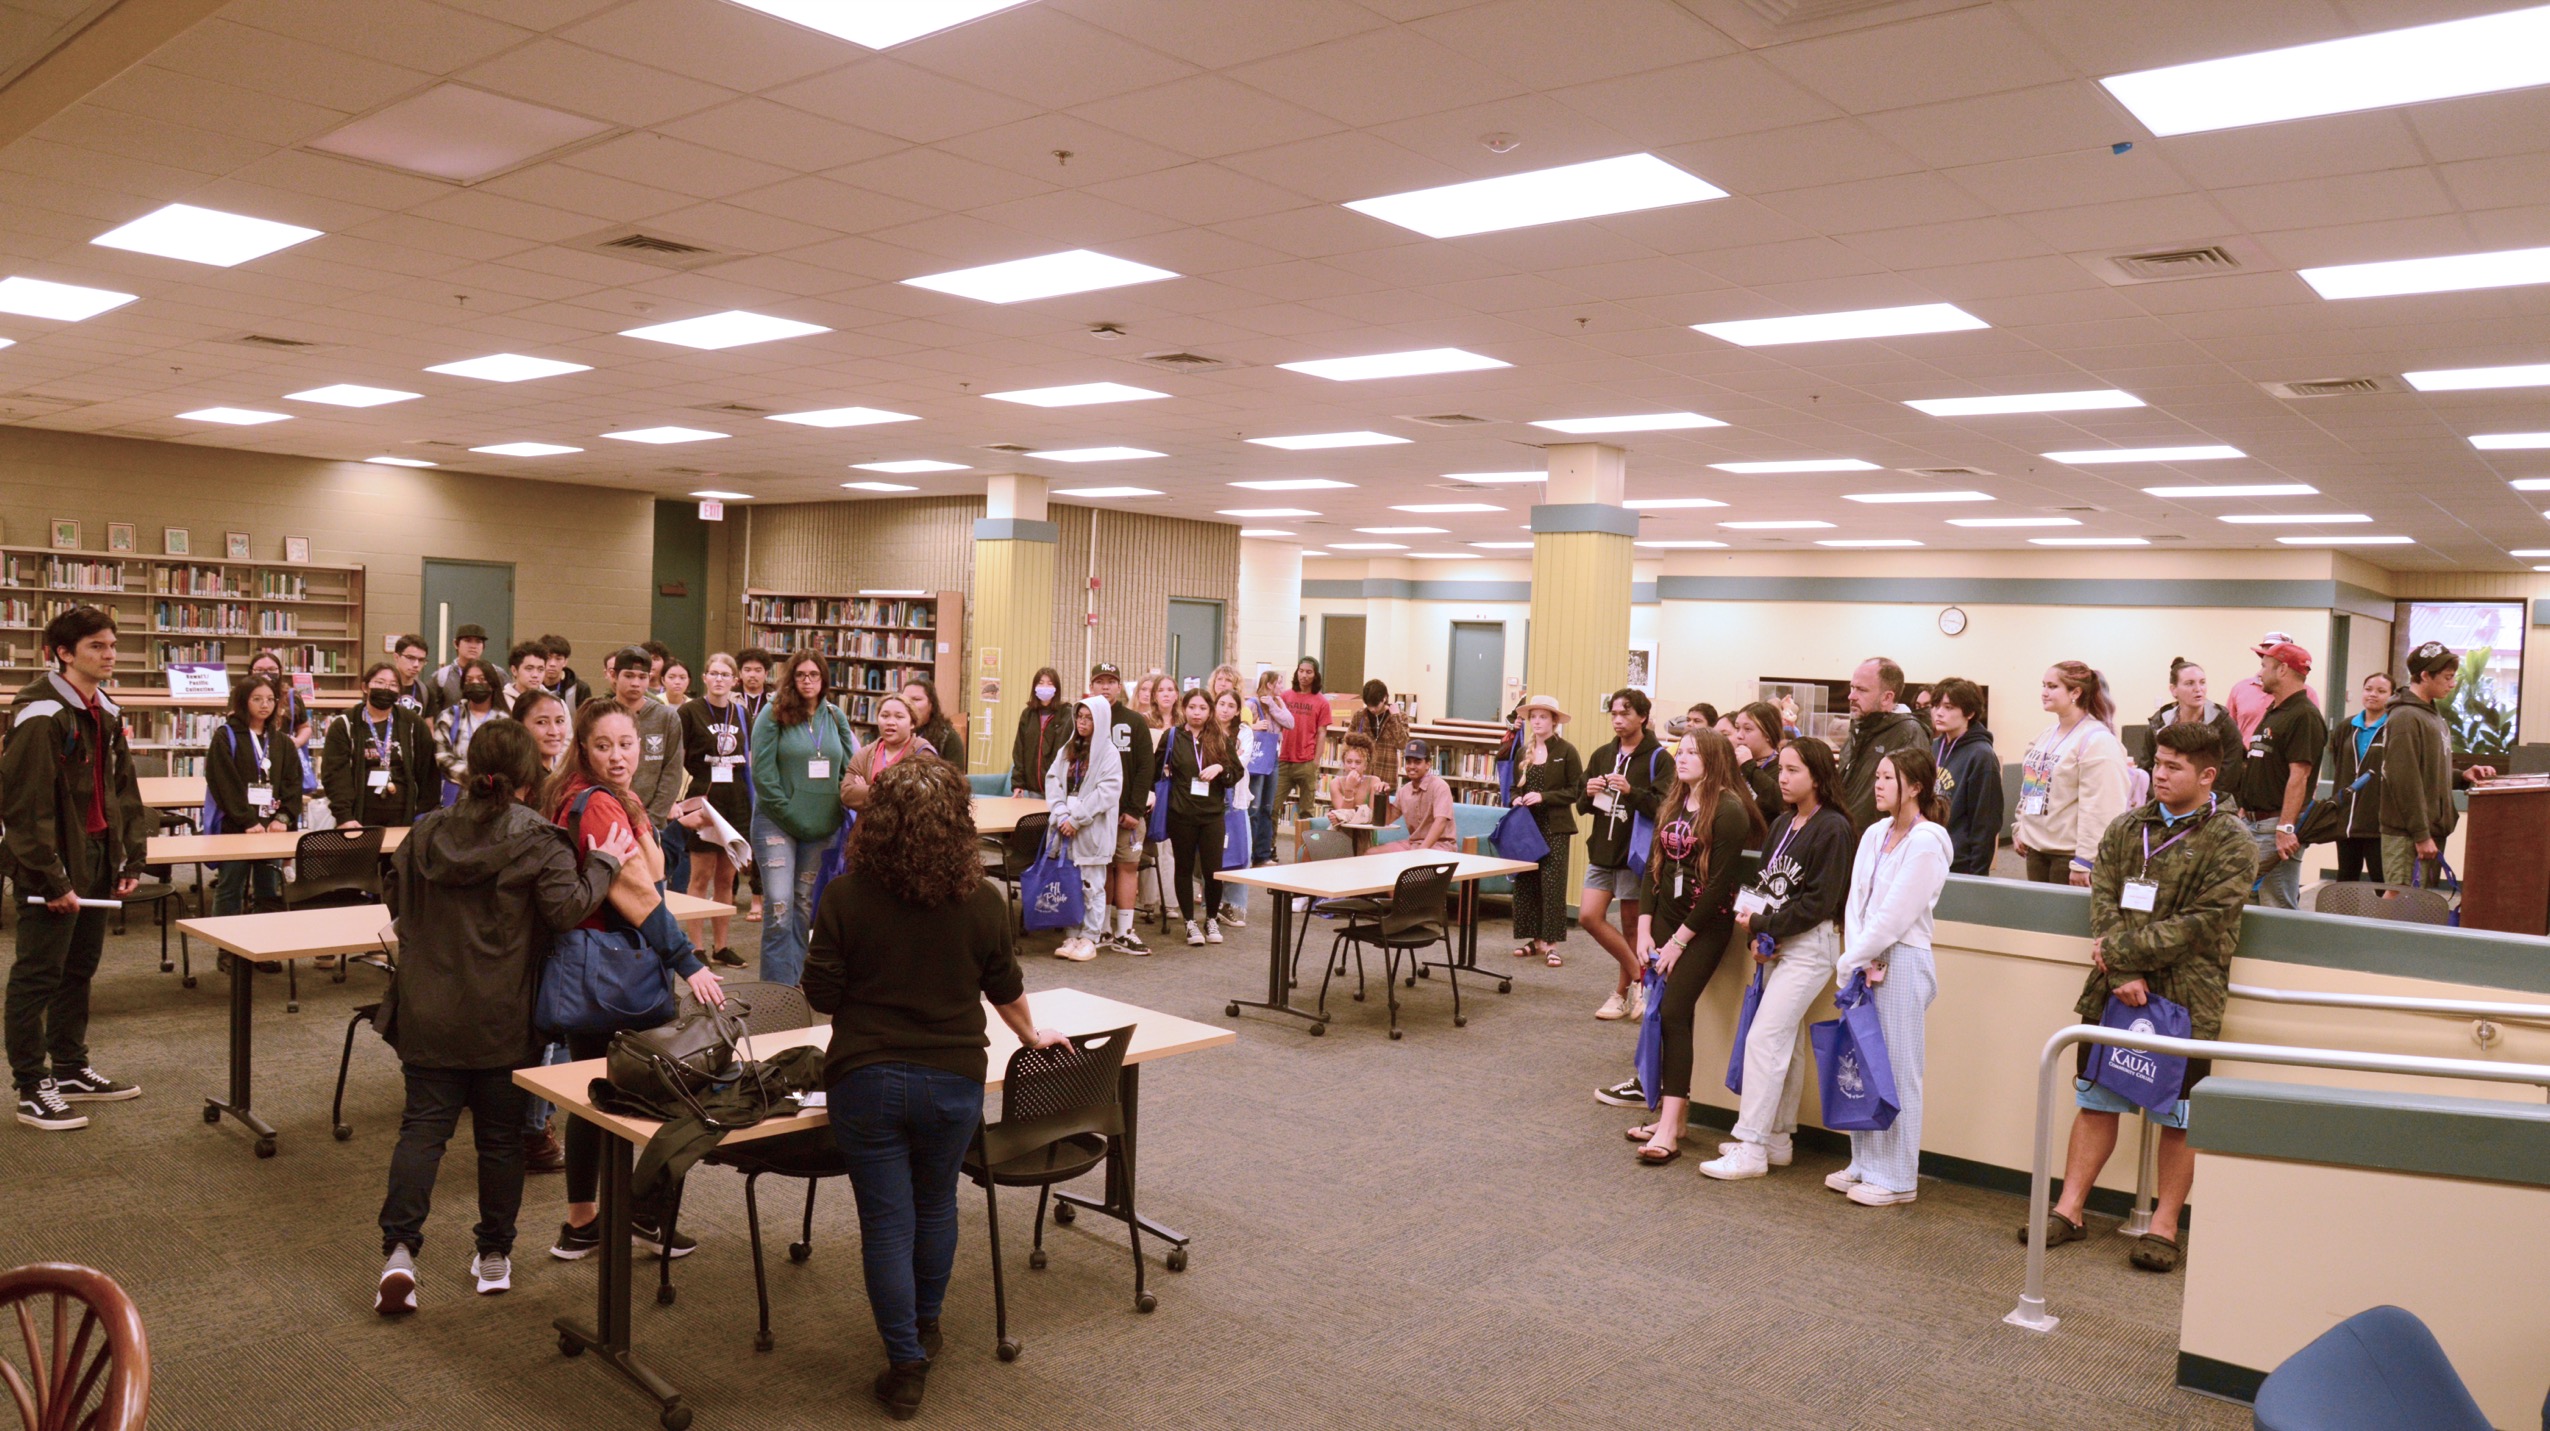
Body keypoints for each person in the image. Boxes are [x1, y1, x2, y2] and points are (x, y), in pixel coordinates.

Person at [800, 758, 1068, 1420]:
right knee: (936, 1205)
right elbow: (1004, 987)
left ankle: (906, 1362)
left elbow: (822, 997)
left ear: (879, 820)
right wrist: (1032, 1035)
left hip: (867, 1078)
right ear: (958, 822)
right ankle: (925, 1324)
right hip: (954, 1078)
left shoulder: (845, 896)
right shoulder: (982, 900)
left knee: (887, 1221)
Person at [371, 719, 639, 1314]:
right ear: (527, 775)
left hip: (427, 1008)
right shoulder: (539, 838)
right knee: (499, 1140)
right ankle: (494, 1254)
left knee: (421, 1132)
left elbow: (396, 900)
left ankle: (399, 1252)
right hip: (503, 1013)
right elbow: (566, 909)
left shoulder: (423, 833)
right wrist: (605, 865)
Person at [2029, 720, 2253, 1273]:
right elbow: (2102, 896)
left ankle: (2163, 1226)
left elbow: (2202, 922)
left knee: (2180, 1116)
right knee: (2097, 1099)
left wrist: (2125, 957)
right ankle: (2070, 1209)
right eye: (2158, 762)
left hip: (2186, 998)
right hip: (2114, 992)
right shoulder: (2128, 828)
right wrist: (2120, 967)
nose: (2161, 774)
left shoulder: (2232, 841)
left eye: (2175, 766)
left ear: (2207, 775)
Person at [542, 701, 725, 1261]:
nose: (618, 756)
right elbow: (644, 893)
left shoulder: (585, 793)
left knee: (593, 1096)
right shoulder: (597, 806)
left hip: (590, 967)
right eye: (604, 746)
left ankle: (583, 1223)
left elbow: (650, 871)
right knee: (673, 1094)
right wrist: (688, 963)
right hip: (618, 968)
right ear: (584, 748)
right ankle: (644, 1213)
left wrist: (639, 812)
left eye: (627, 744)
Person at [4, 606, 148, 1130]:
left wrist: (131, 854)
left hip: (98, 856)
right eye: (97, 647)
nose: (110, 655)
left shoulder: (105, 708)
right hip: (51, 861)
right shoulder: (40, 714)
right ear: (63, 653)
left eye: (112, 645)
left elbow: (122, 788)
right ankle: (30, 1087)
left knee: (78, 970)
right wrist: (52, 877)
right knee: (37, 975)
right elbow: (24, 808)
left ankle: (68, 1068)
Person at [1700, 737, 1856, 1181]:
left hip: (1811, 947)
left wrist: (1765, 924)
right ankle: (1778, 1138)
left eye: (1793, 771)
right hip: (1779, 945)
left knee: (1765, 1038)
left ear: (1818, 776)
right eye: (1781, 770)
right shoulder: (1784, 823)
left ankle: (1750, 1144)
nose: (1782, 779)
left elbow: (1820, 902)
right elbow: (1768, 887)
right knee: (1784, 1041)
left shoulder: (1834, 828)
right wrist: (1760, 933)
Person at [1620, 729, 1763, 1157]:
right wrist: (1645, 930)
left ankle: (1667, 1126)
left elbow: (1719, 887)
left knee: (1673, 1011)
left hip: (1703, 929)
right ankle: (1675, 1119)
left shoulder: (1729, 810)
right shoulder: (1675, 803)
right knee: (1668, 1017)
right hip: (1664, 923)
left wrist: (1680, 942)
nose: (1681, 759)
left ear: (1714, 758)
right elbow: (1654, 870)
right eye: (1679, 752)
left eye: (1692, 753)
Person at [1828, 748, 1953, 1206]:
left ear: (1915, 787)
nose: (1877, 784)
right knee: (1862, 1067)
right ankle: (1865, 1162)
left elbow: (1897, 914)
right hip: (1864, 961)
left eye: (1887, 777)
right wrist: (1855, 956)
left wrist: (1851, 959)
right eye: (1877, 776)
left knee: (1898, 1070)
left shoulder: (1928, 840)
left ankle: (1898, 1177)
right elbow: (1856, 903)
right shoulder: (1875, 832)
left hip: (1900, 961)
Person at [750, 651, 860, 986]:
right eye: (801, 675)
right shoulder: (774, 713)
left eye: (814, 674)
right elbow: (763, 774)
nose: (808, 681)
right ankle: (775, 987)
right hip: (777, 822)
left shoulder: (834, 715)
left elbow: (849, 768)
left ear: (823, 679)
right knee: (779, 906)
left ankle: (795, 980)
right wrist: (789, 812)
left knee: (801, 905)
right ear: (791, 678)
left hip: (821, 825)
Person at [2379, 641, 2499, 889]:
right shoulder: (2405, 717)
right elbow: (2404, 781)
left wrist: (2461, 775)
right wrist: (2421, 836)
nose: (2452, 683)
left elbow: (2426, 771)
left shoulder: (2430, 714)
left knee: (2420, 908)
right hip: (2408, 835)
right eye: (2447, 677)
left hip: (2428, 830)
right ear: (2424, 675)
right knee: (2401, 906)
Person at [1579, 688, 1666, 1022]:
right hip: (1602, 849)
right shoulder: (1603, 754)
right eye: (1613, 714)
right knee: (1589, 917)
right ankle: (1638, 978)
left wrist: (1632, 792)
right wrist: (1587, 793)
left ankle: (1621, 994)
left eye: (1625, 714)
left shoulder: (1658, 757)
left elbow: (1663, 806)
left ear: (1642, 716)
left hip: (1634, 853)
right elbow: (1582, 804)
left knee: (1632, 926)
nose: (1617, 720)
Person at [2012, 662, 2132, 887]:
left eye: (2052, 686)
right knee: (2038, 921)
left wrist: (2085, 860)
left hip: (2069, 856)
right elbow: (2033, 789)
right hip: (2036, 849)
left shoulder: (2098, 741)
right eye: (2043, 685)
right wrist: (2021, 826)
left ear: (2075, 692)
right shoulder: (2046, 736)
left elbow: (2101, 808)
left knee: (2061, 920)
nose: (2044, 692)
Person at [2229, 640, 2327, 909]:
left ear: (2282, 670)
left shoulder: (2304, 715)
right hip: (2253, 822)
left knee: (2277, 903)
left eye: (2265, 666)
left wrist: (2285, 828)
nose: (2259, 673)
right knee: (2246, 897)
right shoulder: (2275, 711)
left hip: (2276, 827)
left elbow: (2300, 776)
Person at [206, 673, 304, 914]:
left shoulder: (281, 741)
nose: (265, 705)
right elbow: (223, 783)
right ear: (243, 702)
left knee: (268, 888)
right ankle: (226, 949)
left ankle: (265, 946)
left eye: (270, 699)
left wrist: (283, 817)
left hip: (271, 827)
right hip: (237, 826)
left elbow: (293, 784)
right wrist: (247, 820)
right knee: (231, 887)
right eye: (257, 699)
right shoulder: (225, 736)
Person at [679, 653, 751, 966]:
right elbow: (679, 758)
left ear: (735, 680)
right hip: (703, 799)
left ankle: (721, 946)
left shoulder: (742, 712)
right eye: (714, 673)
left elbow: (748, 757)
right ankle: (695, 946)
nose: (719, 679)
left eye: (725, 674)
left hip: (735, 800)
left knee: (726, 877)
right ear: (705, 678)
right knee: (701, 875)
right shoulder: (689, 711)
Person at [1505, 694, 1583, 968]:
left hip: (1555, 827)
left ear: (1554, 721)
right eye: (1533, 717)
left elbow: (1576, 790)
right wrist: (1516, 797)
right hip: (1527, 828)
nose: (1537, 722)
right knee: (1527, 882)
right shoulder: (1522, 751)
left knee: (1552, 884)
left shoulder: (1566, 751)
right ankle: (1535, 940)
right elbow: (1514, 787)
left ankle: (1551, 943)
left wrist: (1544, 796)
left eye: (1543, 717)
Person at [1044, 695, 1122, 962]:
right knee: (1069, 884)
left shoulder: (1109, 753)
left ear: (1100, 721)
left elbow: (1107, 792)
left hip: (1091, 830)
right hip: (1065, 827)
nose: (1083, 722)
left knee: (1092, 885)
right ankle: (1072, 934)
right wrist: (1062, 813)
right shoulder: (1067, 749)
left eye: (1089, 718)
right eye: (1080, 717)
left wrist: (1076, 819)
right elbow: (1053, 780)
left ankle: (1090, 937)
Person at [606, 646, 686, 898]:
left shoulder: (666, 718)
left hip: (651, 823)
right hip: (608, 820)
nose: (636, 682)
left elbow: (672, 773)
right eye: (628, 675)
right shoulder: (599, 713)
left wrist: (650, 820)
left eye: (642, 677)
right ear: (614, 676)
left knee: (651, 894)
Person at [1160, 687, 1237, 946]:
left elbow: (1235, 772)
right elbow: (1154, 769)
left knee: (1213, 870)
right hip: (1181, 813)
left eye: (1203, 708)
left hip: (1212, 814)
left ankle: (1211, 918)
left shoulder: (1220, 738)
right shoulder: (1172, 737)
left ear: (1210, 711)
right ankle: (1190, 922)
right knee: (1183, 868)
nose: (1197, 713)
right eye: (1192, 707)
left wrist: (1220, 767)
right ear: (1184, 709)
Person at [1087, 664, 1155, 955]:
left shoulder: (1135, 722)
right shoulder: (1084, 718)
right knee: (1101, 866)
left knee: (1126, 866)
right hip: (1094, 812)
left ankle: (1124, 931)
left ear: (1119, 687)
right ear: (1092, 686)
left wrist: (1135, 809)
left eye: (1111, 682)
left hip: (1126, 812)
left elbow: (1145, 768)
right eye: (1099, 682)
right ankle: (1101, 928)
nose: (1105, 687)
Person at [322, 662, 439, 829]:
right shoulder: (345, 724)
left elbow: (429, 773)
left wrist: (423, 814)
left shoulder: (413, 724)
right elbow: (335, 775)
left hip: (405, 817)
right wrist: (344, 816)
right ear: (365, 687)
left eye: (393, 685)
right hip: (358, 817)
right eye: (379, 682)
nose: (386, 688)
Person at [1837, 657, 1925, 831]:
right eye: (1852, 687)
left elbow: (1912, 801)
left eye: (1861, 690)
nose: (1851, 696)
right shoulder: (1859, 729)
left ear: (1887, 697)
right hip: (1849, 839)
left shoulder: (1908, 733)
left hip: (1881, 844)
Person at [1927, 677, 2002, 877]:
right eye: (1935, 706)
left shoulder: (1981, 755)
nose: (1939, 713)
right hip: (1930, 852)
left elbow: (1985, 822)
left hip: (1960, 861)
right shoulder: (1935, 747)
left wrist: (1978, 874)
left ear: (1969, 713)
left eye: (1949, 707)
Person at [2327, 671, 2393, 883]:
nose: (2373, 694)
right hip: (2347, 819)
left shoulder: (2393, 728)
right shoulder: (2346, 727)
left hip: (2378, 821)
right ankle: (2344, 918)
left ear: (2391, 696)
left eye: (2381, 691)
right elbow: (2340, 762)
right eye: (2368, 689)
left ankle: (2383, 918)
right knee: (2345, 880)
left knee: (2381, 881)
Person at [2142, 659, 2243, 786]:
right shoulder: (2159, 723)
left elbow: (2230, 773)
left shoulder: (2223, 723)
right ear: (2174, 690)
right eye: (2189, 683)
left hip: (2210, 799)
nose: (2198, 689)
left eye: (2202, 682)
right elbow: (2147, 768)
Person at [1273, 657, 1332, 848]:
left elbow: (1322, 733)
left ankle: (1307, 851)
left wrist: (1316, 761)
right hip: (1283, 761)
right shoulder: (1285, 697)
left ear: (1315, 675)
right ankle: (1269, 848)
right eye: (1301, 670)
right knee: (1272, 808)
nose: (1304, 675)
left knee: (1307, 813)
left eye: (1309, 672)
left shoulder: (1321, 702)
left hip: (1307, 762)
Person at [1208, 679, 1253, 927]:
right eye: (1221, 704)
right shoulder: (1206, 730)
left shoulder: (1245, 732)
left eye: (1230, 706)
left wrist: (1217, 766)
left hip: (1236, 800)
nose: (1225, 709)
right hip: (1210, 800)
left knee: (1240, 854)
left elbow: (1241, 762)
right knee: (1211, 853)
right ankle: (1212, 904)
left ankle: (1233, 906)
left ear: (1237, 710)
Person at [431, 660, 505, 806]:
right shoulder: (448, 716)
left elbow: (507, 761)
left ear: (492, 683)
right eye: (469, 680)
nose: (475, 683)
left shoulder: (505, 721)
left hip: (493, 798)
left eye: (482, 679)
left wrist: (488, 781)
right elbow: (442, 757)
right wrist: (475, 778)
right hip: (455, 797)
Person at [844, 694, 935, 810]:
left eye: (899, 717)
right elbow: (847, 794)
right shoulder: (865, 754)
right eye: (884, 716)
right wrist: (894, 793)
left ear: (912, 723)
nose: (890, 722)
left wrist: (867, 790)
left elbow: (919, 798)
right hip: (868, 826)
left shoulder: (923, 752)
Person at [2225, 629, 2318, 740]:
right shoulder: (2240, 689)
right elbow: (2227, 733)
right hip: (2247, 756)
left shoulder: (2306, 695)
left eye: (2278, 651)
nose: (2270, 655)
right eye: (2267, 652)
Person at [1374, 741, 1457, 853]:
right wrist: (1386, 794)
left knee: (1417, 861)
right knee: (1371, 854)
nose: (1411, 766)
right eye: (1408, 762)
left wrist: (1420, 851)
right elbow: (1387, 820)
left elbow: (1440, 823)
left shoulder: (1440, 787)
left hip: (1441, 845)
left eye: (1417, 762)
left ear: (1428, 764)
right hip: (1414, 845)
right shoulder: (1404, 791)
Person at [1245, 669, 1290, 868]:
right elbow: (1240, 727)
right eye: (1279, 683)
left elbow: (1290, 722)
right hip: (1257, 759)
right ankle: (1248, 852)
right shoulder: (1252, 704)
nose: (1282, 687)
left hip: (1272, 758)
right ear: (1270, 684)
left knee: (1267, 808)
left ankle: (1262, 854)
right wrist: (1254, 727)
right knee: (1253, 808)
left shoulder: (1278, 702)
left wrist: (1272, 705)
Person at [1008, 666, 1070, 798]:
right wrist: (1018, 783)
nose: (1045, 687)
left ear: (1056, 689)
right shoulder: (1028, 714)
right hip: (1033, 789)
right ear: (1034, 687)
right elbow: (1019, 750)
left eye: (1050, 683)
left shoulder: (1066, 714)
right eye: (1041, 683)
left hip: (1058, 788)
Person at [1324, 734, 1385, 854]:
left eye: (1358, 762)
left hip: (1364, 836)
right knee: (1310, 849)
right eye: (1349, 761)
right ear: (1343, 763)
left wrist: (1344, 816)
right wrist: (1349, 789)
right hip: (1340, 833)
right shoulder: (1335, 783)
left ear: (1365, 765)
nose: (1352, 766)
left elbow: (1373, 817)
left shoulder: (1374, 782)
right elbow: (1343, 818)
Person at [1732, 701, 1786, 819]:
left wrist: (1749, 766)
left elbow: (1779, 802)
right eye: (1737, 728)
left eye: (1747, 729)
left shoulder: (1782, 767)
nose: (1739, 736)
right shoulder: (1735, 765)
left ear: (1768, 734)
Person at [424, 623, 489, 716]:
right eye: (468, 640)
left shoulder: (495, 674)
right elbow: (430, 711)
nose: (473, 646)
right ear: (455, 644)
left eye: (478, 641)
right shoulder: (442, 676)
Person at [901, 678, 964, 772]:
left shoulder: (948, 738)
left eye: (916, 699)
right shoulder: (895, 733)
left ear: (931, 704)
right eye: (905, 700)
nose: (909, 704)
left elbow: (956, 780)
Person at [1348, 679, 1408, 757]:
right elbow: (1347, 741)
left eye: (1376, 705)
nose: (1372, 709)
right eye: (1369, 705)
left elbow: (1402, 744)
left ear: (1385, 698)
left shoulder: (1400, 716)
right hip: (1364, 767)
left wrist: (1395, 718)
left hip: (1387, 767)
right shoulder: (1360, 716)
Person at [539, 635, 587, 711]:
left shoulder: (580, 689)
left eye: (558, 659)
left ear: (565, 662)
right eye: (548, 658)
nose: (552, 664)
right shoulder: (531, 686)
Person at [389, 634, 431, 715]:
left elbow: (428, 726)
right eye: (410, 658)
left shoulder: (426, 692)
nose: (416, 664)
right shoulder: (383, 688)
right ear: (396, 657)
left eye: (421, 660)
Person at [501, 640, 548, 710]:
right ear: (514, 670)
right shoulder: (501, 702)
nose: (535, 675)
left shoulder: (554, 702)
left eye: (540, 669)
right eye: (529, 669)